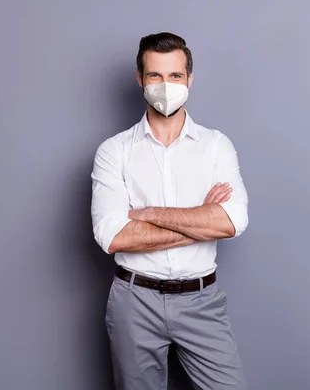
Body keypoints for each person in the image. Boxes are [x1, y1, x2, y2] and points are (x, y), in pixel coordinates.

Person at [90, 31, 249, 390]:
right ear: (140, 80)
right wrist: (199, 218)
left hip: (201, 300)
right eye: (155, 76)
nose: (166, 85)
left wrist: (147, 214)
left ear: (189, 78)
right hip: (134, 301)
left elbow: (231, 221)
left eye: (175, 76)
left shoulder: (215, 146)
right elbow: (113, 236)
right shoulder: (114, 152)